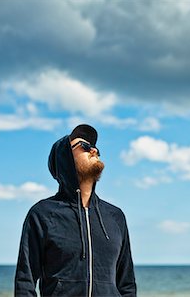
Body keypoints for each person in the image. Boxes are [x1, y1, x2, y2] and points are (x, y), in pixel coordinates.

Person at [15, 124, 136, 296]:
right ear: (64, 158)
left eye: (95, 147)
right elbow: (24, 283)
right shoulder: (42, 214)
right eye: (85, 146)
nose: (93, 150)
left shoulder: (115, 216)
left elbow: (127, 284)